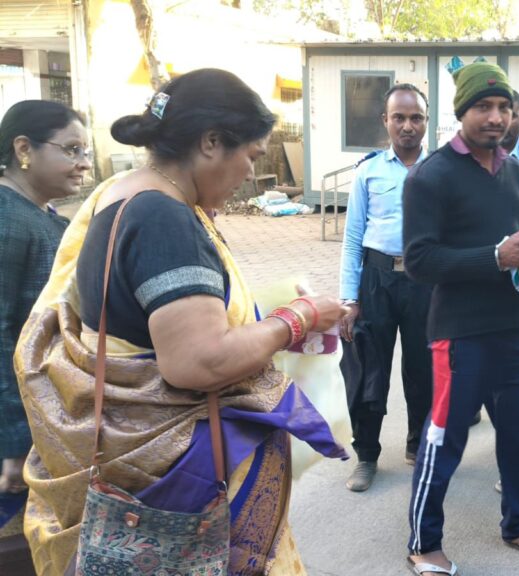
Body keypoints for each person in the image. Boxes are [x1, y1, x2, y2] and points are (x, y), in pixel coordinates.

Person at [15, 68, 349, 575]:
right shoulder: (164, 219)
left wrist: (267, 316)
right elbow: (198, 361)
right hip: (176, 476)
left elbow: (153, 324)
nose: (248, 174)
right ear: (211, 142)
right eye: (251, 155)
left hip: (130, 458)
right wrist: (299, 317)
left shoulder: (120, 194)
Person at [402, 62, 519, 576]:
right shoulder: (431, 176)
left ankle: (518, 524)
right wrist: (496, 257)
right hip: (459, 333)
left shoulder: (515, 171)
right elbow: (419, 261)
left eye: (504, 107)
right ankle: (423, 542)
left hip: (516, 327)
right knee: (444, 440)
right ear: (462, 111)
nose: (496, 117)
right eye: (483, 107)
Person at [0, 100, 89, 551]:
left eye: (85, 152)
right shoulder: (7, 219)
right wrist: (13, 443)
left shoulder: (39, 214)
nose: (84, 163)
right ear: (23, 149)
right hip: (17, 430)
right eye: (71, 149)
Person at [340, 83, 432, 492]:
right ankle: (366, 455)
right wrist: (349, 298)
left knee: (424, 370)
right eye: (399, 117)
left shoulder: (440, 170)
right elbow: (352, 239)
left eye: (415, 118)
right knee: (369, 370)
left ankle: (418, 445)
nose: (407, 126)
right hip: (376, 279)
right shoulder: (369, 171)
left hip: (425, 282)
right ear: (386, 121)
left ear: (426, 122)